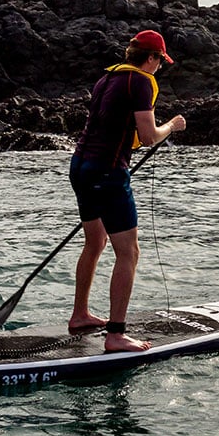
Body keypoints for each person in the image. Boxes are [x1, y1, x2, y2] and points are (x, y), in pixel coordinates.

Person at [67, 30, 187, 352]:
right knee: (129, 252)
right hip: (107, 172)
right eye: (160, 60)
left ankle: (79, 315)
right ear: (150, 58)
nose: (160, 66)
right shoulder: (142, 82)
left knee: (95, 241)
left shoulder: (107, 79)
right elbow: (148, 136)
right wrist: (171, 127)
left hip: (80, 166)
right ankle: (116, 334)